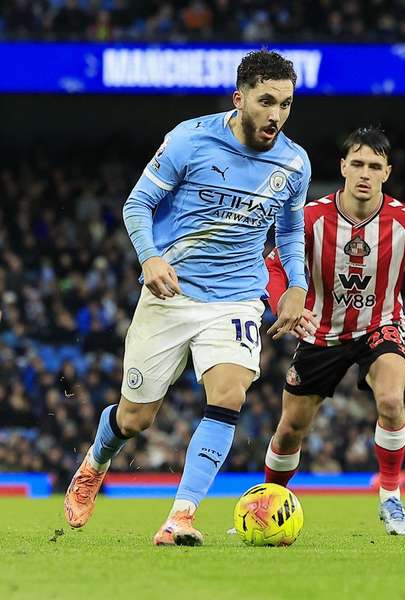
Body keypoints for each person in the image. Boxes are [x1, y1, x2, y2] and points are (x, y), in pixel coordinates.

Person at [63, 49, 317, 546]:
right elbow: (138, 203)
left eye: (286, 104)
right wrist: (150, 257)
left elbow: (289, 232)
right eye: (266, 101)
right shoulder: (190, 138)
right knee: (136, 419)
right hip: (171, 292)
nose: (276, 115)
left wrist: (296, 285)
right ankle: (95, 462)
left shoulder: (294, 162)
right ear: (239, 98)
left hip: (237, 298)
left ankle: (180, 517)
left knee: (229, 395)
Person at [264, 126, 405, 535]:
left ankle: (390, 497)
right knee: (290, 429)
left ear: (387, 172)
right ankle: (268, 504)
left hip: (380, 326)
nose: (365, 173)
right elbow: (274, 266)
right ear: (343, 167)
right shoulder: (311, 217)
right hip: (320, 332)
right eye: (357, 164)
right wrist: (285, 303)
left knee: (391, 400)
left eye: (374, 166)